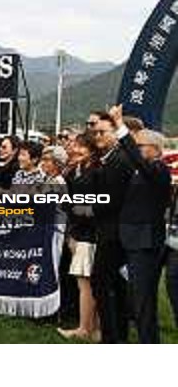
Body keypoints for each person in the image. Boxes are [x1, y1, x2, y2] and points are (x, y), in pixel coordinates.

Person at [110, 104, 172, 344]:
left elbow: (135, 158)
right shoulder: (141, 171)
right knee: (133, 298)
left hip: (145, 242)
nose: (136, 149)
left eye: (140, 146)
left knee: (143, 300)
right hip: (129, 238)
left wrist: (120, 126)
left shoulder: (158, 171)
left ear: (155, 150)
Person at [91, 112, 133, 344]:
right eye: (95, 131)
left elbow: (110, 199)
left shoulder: (118, 160)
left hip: (114, 233)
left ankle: (112, 338)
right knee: (112, 286)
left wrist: (87, 206)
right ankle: (116, 337)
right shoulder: (110, 158)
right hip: (110, 230)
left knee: (104, 285)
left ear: (115, 134)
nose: (97, 136)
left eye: (102, 132)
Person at [58, 133, 99, 341]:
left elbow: (90, 206)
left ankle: (85, 329)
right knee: (85, 283)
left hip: (87, 235)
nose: (75, 149)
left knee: (86, 284)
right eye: (74, 146)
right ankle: (92, 329)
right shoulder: (78, 170)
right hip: (78, 232)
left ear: (91, 149)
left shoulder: (93, 171)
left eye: (80, 146)